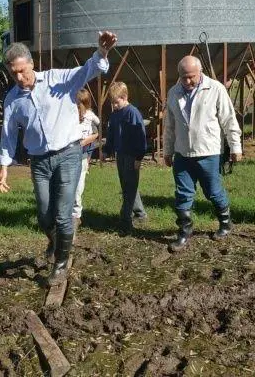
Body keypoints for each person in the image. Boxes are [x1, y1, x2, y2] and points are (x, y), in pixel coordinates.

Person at [0, 31, 117, 286]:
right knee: (43, 214)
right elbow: (7, 134)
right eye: (13, 73)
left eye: (22, 70)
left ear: (31, 64)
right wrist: (4, 167)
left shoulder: (58, 79)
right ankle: (56, 242)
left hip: (69, 155)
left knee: (63, 215)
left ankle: (60, 264)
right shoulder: (13, 99)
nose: (19, 77)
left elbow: (89, 70)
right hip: (40, 162)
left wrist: (102, 52)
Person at [163, 56, 242, 251]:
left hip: (209, 152)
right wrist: (167, 151)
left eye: (191, 77)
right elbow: (169, 126)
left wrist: (235, 147)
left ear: (200, 72)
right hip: (182, 154)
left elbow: (229, 120)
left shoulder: (215, 89)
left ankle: (225, 224)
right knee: (182, 194)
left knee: (213, 192)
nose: (188, 81)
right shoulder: (173, 93)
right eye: (183, 77)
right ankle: (184, 232)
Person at [102, 82, 148, 235]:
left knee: (129, 187)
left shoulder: (133, 113)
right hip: (120, 155)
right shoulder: (115, 114)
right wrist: (106, 150)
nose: (114, 105)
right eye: (112, 102)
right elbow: (111, 133)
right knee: (127, 185)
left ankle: (125, 220)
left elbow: (141, 137)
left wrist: (139, 157)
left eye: (117, 102)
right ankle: (140, 213)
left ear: (125, 97)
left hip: (132, 155)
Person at [72, 89, 100, 228]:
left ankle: (76, 216)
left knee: (78, 187)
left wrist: (84, 142)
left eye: (80, 105)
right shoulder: (69, 115)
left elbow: (96, 133)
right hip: (69, 155)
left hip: (82, 155)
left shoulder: (89, 117)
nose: (79, 108)